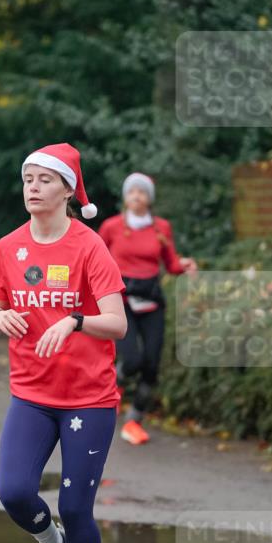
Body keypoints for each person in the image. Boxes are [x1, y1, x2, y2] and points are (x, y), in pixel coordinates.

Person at [0, 143, 127, 543]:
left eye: (45, 180)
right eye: (28, 180)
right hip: (31, 395)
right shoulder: (7, 247)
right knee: (14, 492)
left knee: (76, 506)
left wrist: (76, 320)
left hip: (89, 397)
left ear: (68, 189)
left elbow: (118, 323)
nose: (34, 188)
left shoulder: (89, 247)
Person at [98, 172, 197, 445]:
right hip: (122, 300)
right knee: (131, 361)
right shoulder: (111, 227)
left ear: (149, 199)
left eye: (142, 192)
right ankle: (109, 385)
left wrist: (184, 266)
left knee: (151, 365)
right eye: (132, 192)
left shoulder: (161, 228)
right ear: (125, 197)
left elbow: (171, 262)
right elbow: (95, 257)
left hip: (152, 300)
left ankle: (134, 420)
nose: (137, 196)